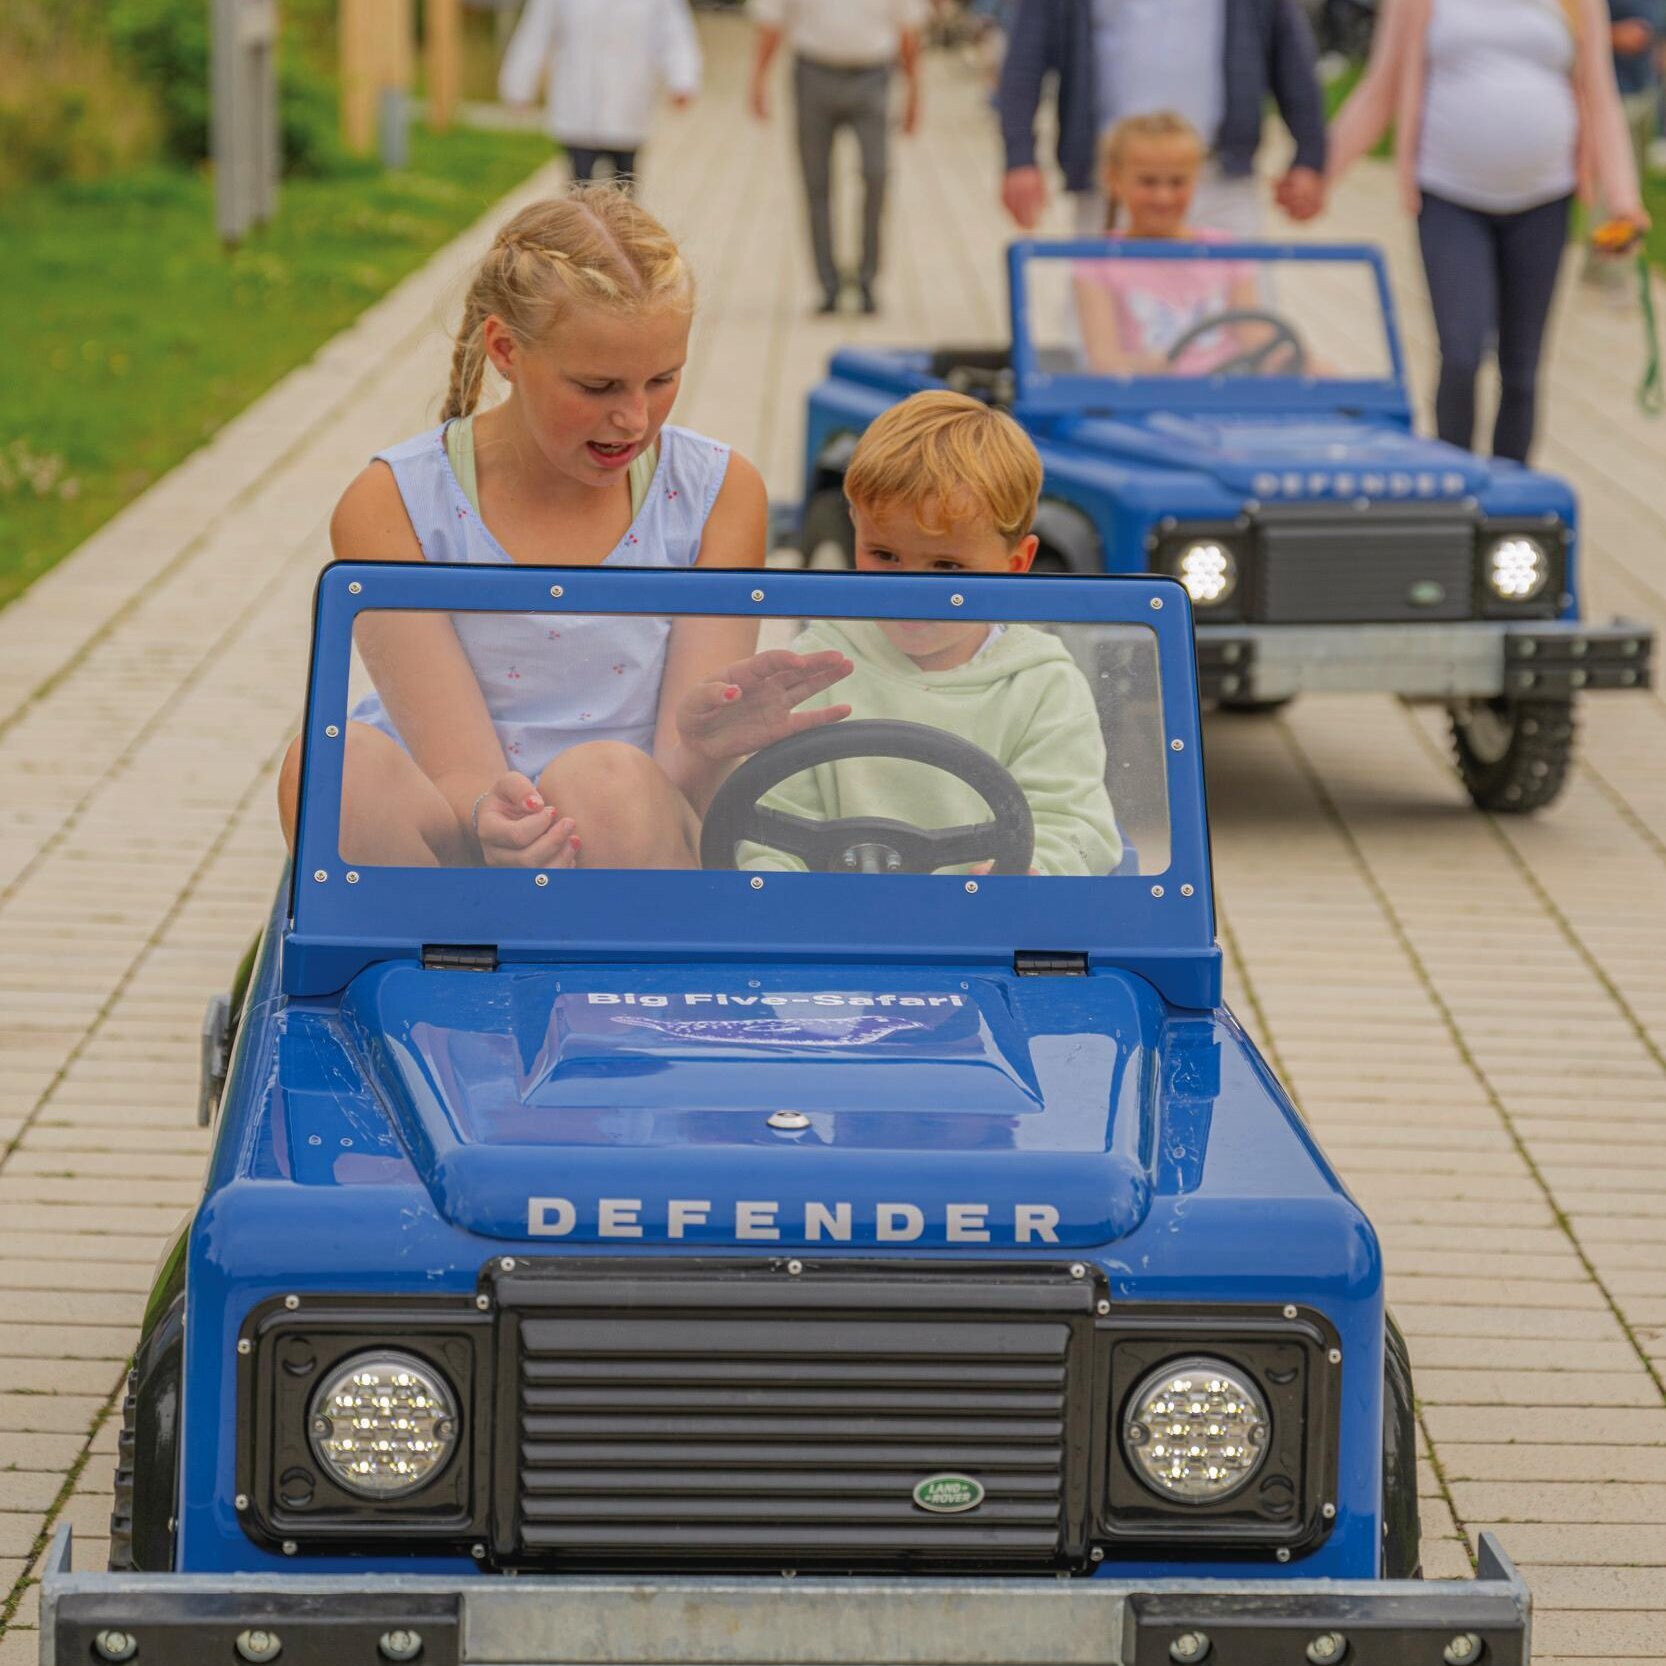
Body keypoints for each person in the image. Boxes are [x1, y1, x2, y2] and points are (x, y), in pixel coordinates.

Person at [278, 186, 854, 870]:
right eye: (597, 387)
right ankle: (431, 961)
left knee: (602, 781)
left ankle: (616, 969)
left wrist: (708, 744)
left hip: (635, 831)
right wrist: (488, 813)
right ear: (504, 350)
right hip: (461, 826)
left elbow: (684, 788)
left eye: (662, 379)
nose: (636, 420)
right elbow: (455, 763)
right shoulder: (393, 501)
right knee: (328, 764)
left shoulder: (718, 492)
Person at [745, 392, 1123, 877]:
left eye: (946, 566)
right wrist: (777, 885)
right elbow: (773, 820)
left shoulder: (1042, 685)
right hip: (838, 932)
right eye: (883, 555)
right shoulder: (818, 666)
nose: (910, 590)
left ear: (1016, 566)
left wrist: (1029, 873)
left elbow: (1074, 826)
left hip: (985, 934)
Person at [1328, 0, 1650, 462]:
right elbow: (1380, 87)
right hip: (1448, 196)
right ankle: (1452, 486)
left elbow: (1601, 95)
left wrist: (1623, 200)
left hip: (1545, 200)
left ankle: (1512, 502)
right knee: (1460, 353)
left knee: (1520, 369)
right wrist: (1317, 177)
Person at [995, 0, 1328, 237]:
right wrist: (1020, 157)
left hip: (1219, 179)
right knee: (1104, 314)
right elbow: (1025, 61)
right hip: (1114, 183)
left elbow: (1291, 59)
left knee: (1237, 318)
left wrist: (1310, 157)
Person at [748, 0, 927, 315]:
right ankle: (827, 284)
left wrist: (915, 92)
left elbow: (908, 29)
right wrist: (758, 80)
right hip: (813, 72)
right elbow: (773, 21)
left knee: (876, 174)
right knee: (816, 182)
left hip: (873, 75)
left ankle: (868, 278)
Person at [1074, 112, 1264, 376]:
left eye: (1177, 182)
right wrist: (1153, 369)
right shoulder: (1098, 260)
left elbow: (1255, 338)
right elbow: (1105, 359)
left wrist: (1314, 368)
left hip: (1228, 399)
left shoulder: (1225, 250)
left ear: (1196, 180)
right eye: (1148, 182)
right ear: (1115, 180)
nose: (1163, 197)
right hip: (1141, 403)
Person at [498, 0, 702, 186]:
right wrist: (519, 86)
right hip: (578, 107)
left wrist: (682, 80)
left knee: (625, 189)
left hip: (628, 105)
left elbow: (676, 35)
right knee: (579, 189)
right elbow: (534, 34)